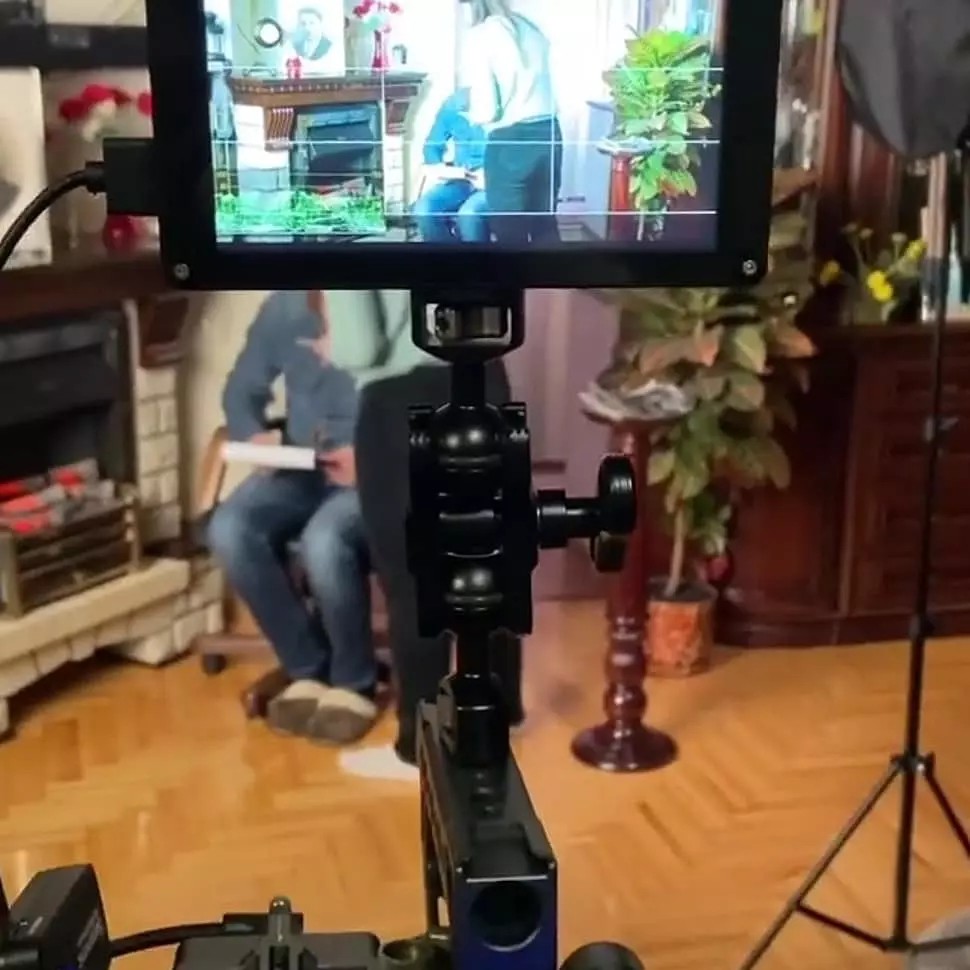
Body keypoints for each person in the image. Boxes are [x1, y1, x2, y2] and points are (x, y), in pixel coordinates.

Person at [322, 290, 524, 780]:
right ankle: (497, 719)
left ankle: (419, 749)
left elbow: (359, 347)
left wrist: (333, 345)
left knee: (413, 575)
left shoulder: (355, 236)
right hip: (487, 383)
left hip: (403, 404)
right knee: (487, 558)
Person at [207, 291, 379, 745]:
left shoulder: (394, 302)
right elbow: (240, 390)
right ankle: (308, 667)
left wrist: (375, 456)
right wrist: (252, 434)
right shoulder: (284, 307)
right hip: (303, 464)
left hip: (374, 469)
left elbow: (428, 400)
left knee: (325, 538)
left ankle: (354, 682)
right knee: (229, 528)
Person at [459, 0, 563, 244]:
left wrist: (470, 114)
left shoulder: (481, 35)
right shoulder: (530, 28)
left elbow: (487, 110)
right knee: (544, 224)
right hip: (549, 134)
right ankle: (556, 269)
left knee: (509, 233)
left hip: (511, 142)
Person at [412, 88, 489, 242]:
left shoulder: (507, 104)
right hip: (462, 178)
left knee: (468, 214)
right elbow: (432, 146)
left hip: (494, 181)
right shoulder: (454, 103)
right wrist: (439, 167)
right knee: (423, 209)